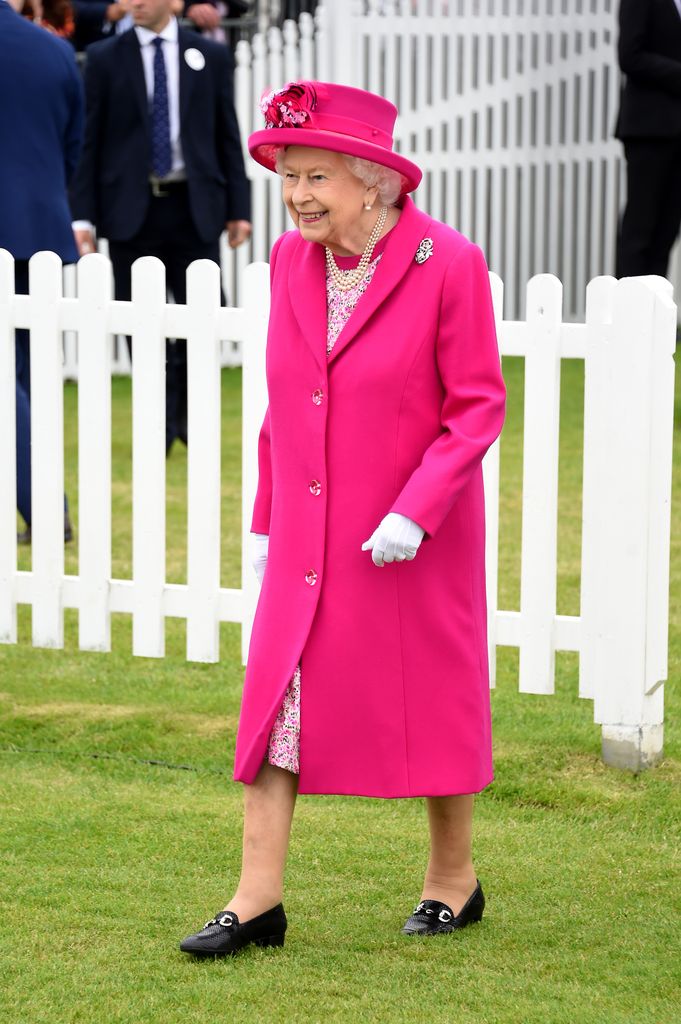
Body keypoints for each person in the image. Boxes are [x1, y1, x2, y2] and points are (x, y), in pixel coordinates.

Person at [179, 80, 506, 957]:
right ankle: (255, 900)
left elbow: (475, 407)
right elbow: (285, 398)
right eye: (288, 176)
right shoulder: (291, 262)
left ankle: (452, 881)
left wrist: (415, 512)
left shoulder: (450, 262)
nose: (297, 197)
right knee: (276, 704)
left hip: (411, 539)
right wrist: (263, 519)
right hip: (308, 532)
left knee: (432, 703)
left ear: (374, 182)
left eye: (316, 176)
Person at [69, 0, 251, 453]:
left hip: (194, 208)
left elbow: (226, 132)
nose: (136, 2)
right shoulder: (105, 58)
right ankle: (160, 422)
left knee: (203, 318)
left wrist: (238, 206)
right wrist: (83, 216)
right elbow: (89, 142)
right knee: (140, 323)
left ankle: (190, 419)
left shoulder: (208, 55)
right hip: (132, 211)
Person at [0, 0, 83, 544]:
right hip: (41, 233)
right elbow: (73, 146)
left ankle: (46, 510)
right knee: (24, 377)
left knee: (10, 383)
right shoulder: (54, 49)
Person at [615, 0, 681, 277]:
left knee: (667, 231)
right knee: (640, 229)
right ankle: (627, 310)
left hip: (679, 131)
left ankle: (655, 311)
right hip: (648, 129)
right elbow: (630, 56)